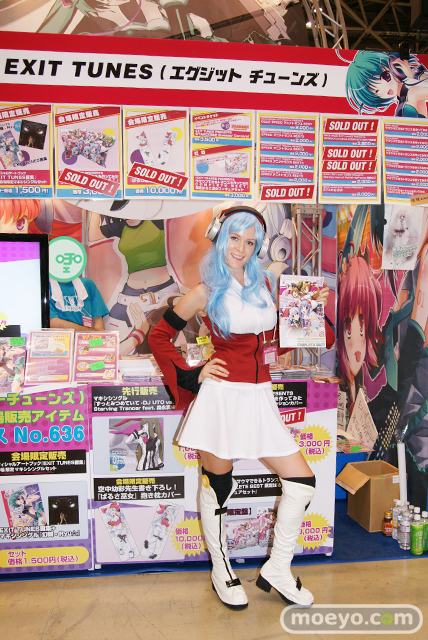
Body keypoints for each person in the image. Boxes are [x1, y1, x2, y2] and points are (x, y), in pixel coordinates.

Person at [149, 206, 330, 610]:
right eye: (234, 238)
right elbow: (159, 336)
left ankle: (278, 568)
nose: (241, 248)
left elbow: (280, 337)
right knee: (219, 486)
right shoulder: (205, 290)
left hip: (260, 395)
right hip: (223, 398)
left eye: (250, 242)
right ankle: (221, 570)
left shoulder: (264, 283)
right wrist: (192, 375)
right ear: (220, 237)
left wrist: (312, 315)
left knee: (302, 481)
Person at [344, 50, 428, 117]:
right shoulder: (406, 98)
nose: (384, 90)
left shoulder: (412, 92)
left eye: (385, 77)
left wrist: (412, 74)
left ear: (392, 67)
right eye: (376, 91)